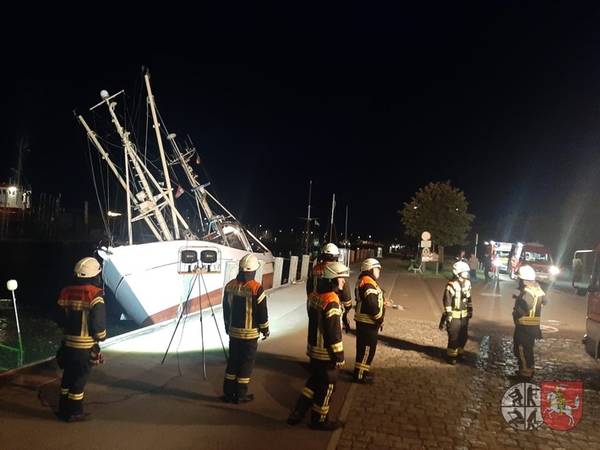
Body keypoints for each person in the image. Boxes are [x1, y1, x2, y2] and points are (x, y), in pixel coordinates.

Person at [287, 261, 349, 430]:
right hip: (326, 353)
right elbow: (333, 333)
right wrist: (339, 356)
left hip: (313, 349)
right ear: (333, 279)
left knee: (314, 382)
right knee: (327, 387)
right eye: (341, 278)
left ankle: (298, 411)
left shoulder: (314, 295)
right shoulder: (332, 300)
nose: (344, 281)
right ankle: (320, 420)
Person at [55, 257, 107, 422]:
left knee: (67, 377)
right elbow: (98, 326)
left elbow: (59, 319)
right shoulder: (95, 295)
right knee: (79, 380)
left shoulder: (66, 291)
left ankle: (63, 409)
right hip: (85, 347)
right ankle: (75, 412)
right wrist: (101, 337)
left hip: (67, 345)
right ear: (95, 275)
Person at [222, 254, 269, 403]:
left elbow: (226, 309)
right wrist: (265, 329)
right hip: (250, 335)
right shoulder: (256, 288)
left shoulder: (229, 286)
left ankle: (228, 393)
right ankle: (240, 394)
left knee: (233, 361)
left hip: (234, 332)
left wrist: (227, 326)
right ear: (254, 270)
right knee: (246, 364)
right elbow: (262, 312)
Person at [306, 243, 352, 332]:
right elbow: (347, 298)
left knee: (314, 332)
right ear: (336, 257)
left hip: (313, 307)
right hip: (332, 309)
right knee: (331, 334)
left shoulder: (315, 269)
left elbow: (309, 289)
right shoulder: (338, 270)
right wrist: (346, 310)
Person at [353, 258, 385, 383]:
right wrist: (379, 319)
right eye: (377, 269)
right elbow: (372, 305)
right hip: (368, 322)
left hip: (364, 321)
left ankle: (361, 372)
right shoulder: (368, 283)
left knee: (362, 349)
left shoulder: (365, 280)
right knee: (367, 350)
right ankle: (361, 376)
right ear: (370, 269)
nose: (379, 272)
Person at [512, 265, 546, 379]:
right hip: (534, 326)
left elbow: (526, 306)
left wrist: (516, 312)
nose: (518, 281)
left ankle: (525, 372)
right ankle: (529, 368)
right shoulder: (538, 290)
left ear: (524, 280)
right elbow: (545, 301)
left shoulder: (526, 292)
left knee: (520, 348)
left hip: (524, 326)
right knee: (528, 348)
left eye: (520, 279)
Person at [440, 261, 472, 364]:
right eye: (465, 271)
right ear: (458, 272)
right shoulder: (451, 285)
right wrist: (449, 315)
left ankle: (460, 353)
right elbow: (447, 300)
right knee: (453, 337)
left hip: (464, 316)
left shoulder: (468, 283)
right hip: (454, 316)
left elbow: (469, 298)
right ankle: (451, 356)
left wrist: (470, 309)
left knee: (463, 336)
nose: (467, 273)